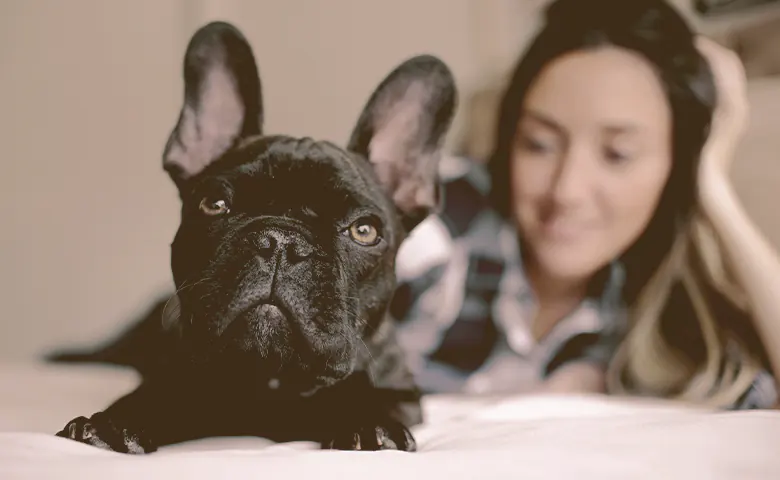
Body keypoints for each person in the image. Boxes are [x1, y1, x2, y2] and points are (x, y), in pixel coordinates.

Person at [390, 0, 780, 409]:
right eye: (538, 145)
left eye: (617, 154)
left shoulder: (660, 300)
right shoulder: (429, 224)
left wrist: (713, 188)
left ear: (678, 166)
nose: (567, 191)